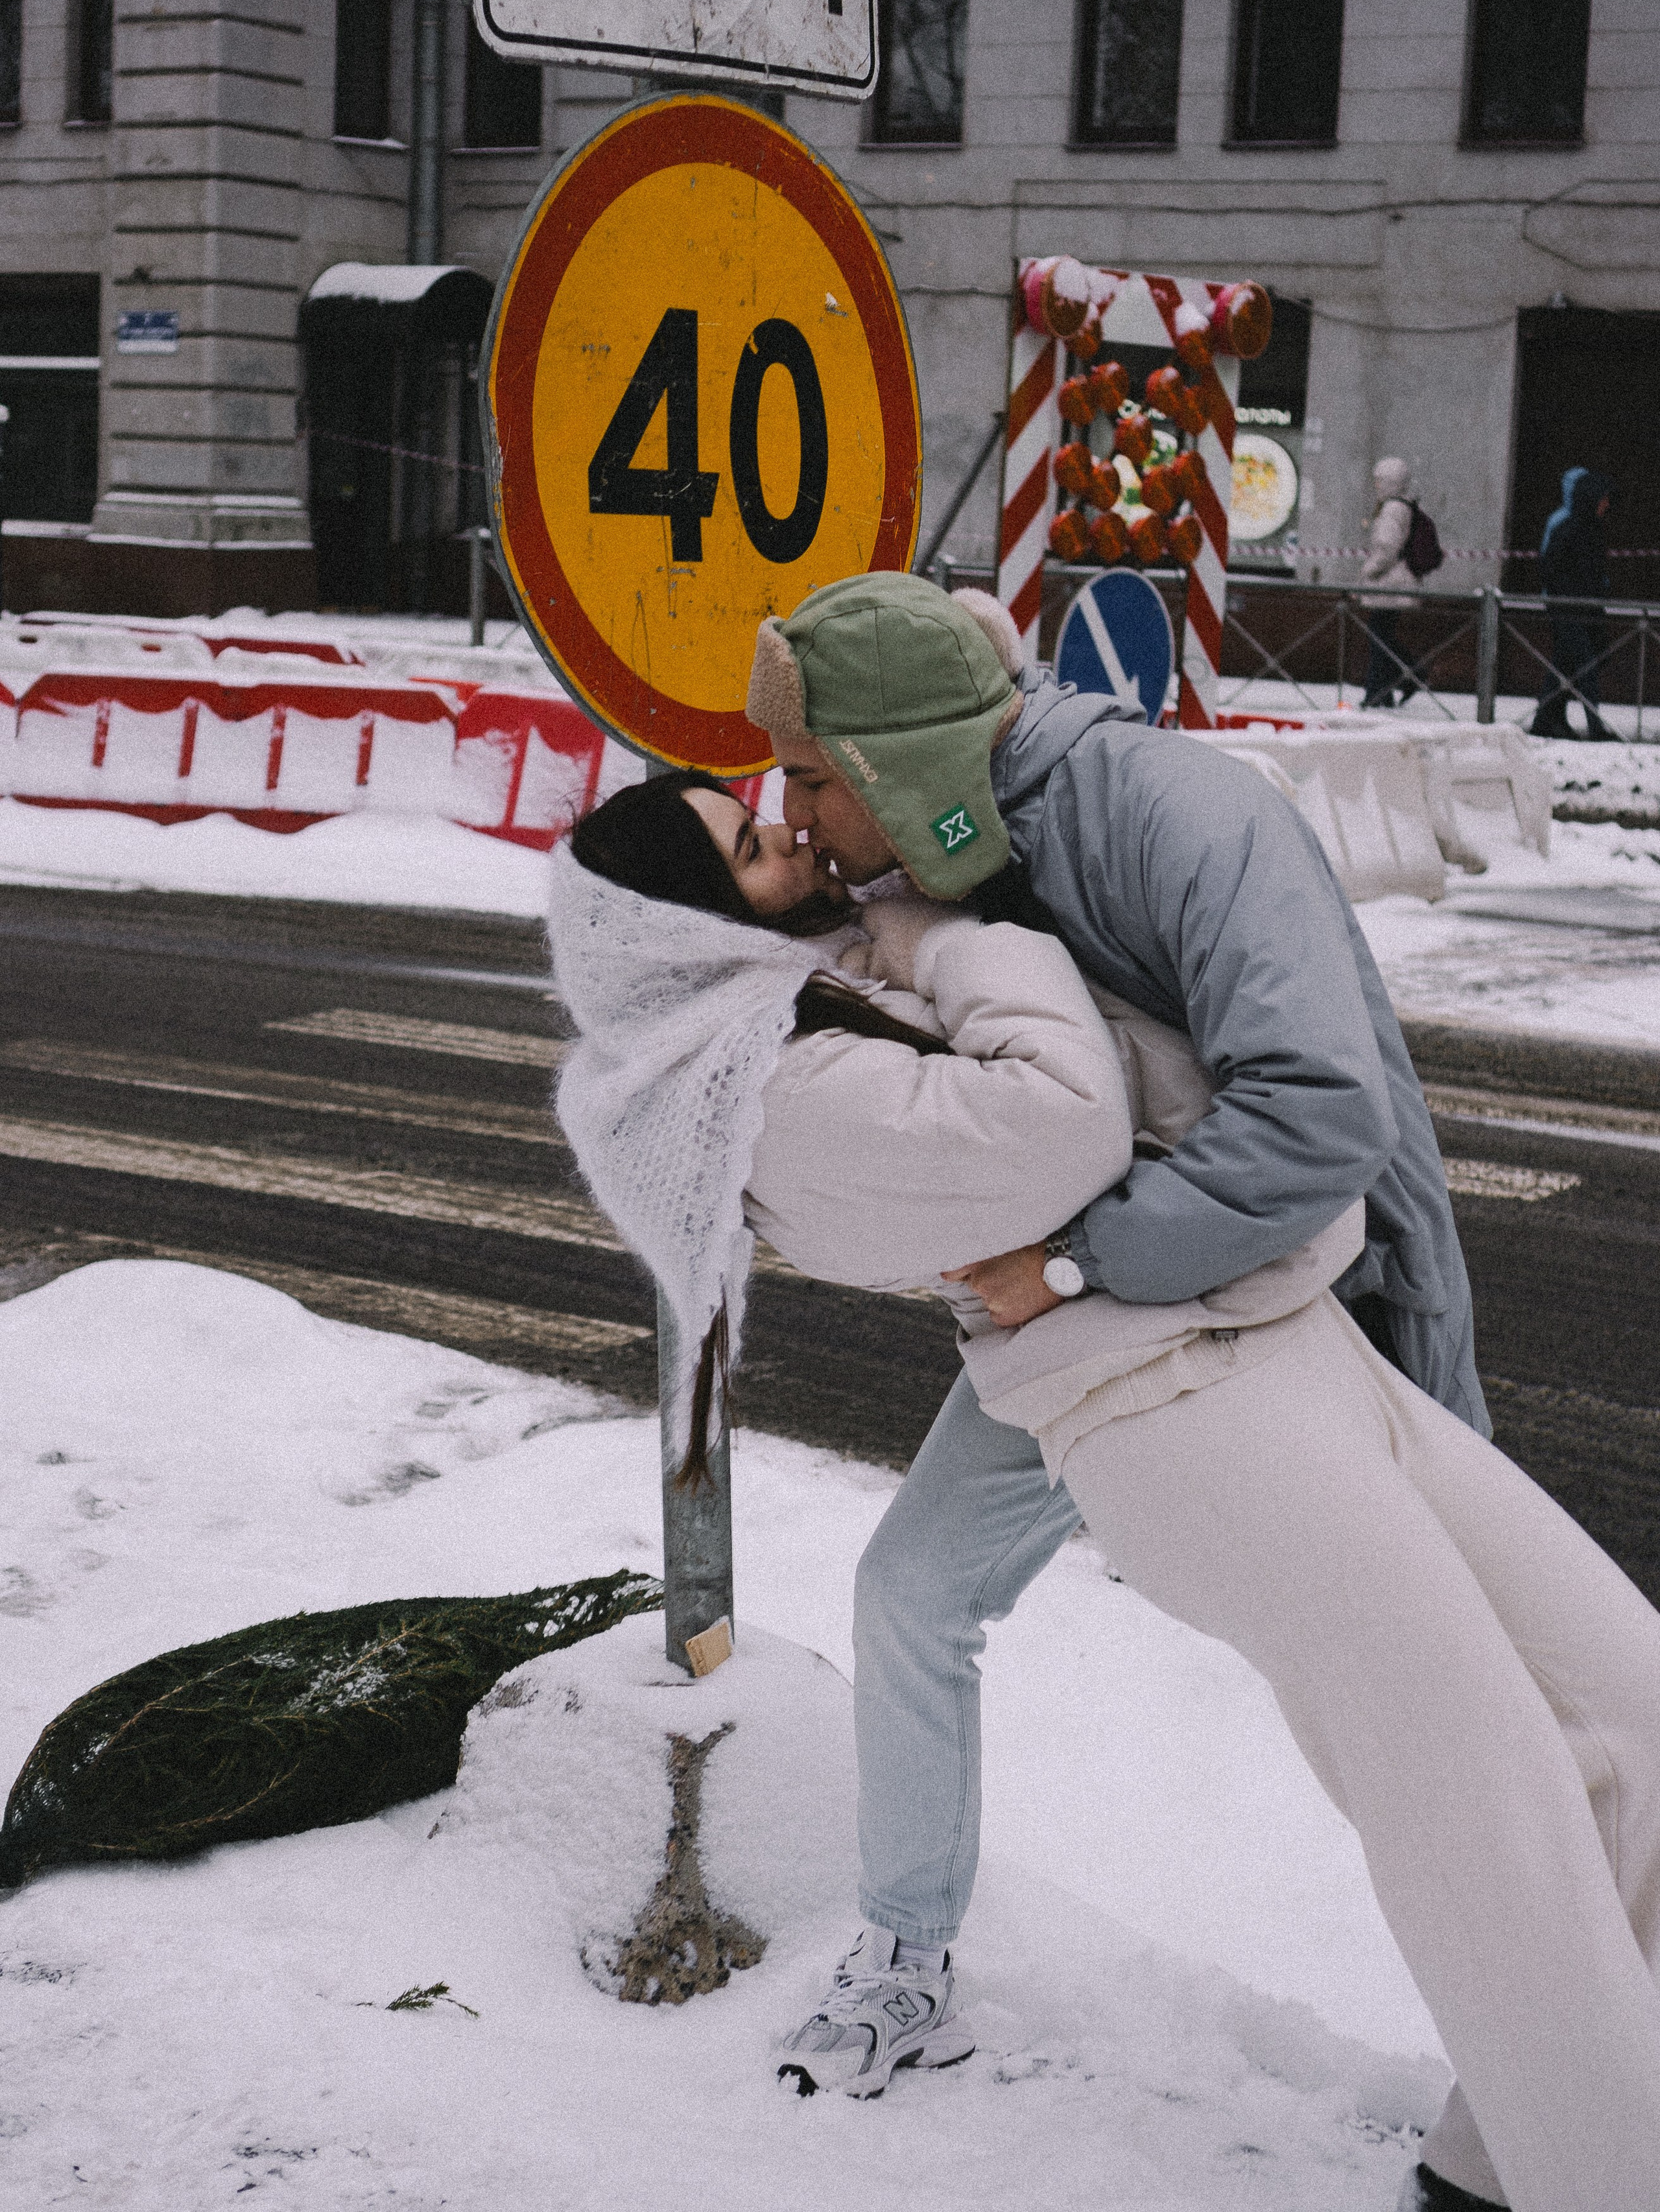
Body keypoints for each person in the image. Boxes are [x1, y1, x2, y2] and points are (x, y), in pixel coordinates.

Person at [549, 764, 1660, 2212]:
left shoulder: (828, 982)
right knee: (1481, 1799)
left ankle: (1500, 2151)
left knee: (1626, 1709)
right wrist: (946, 924)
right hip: (1173, 1410)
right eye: (752, 851)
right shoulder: (772, 1100)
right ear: (688, 928)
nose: (797, 846)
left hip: (1282, 1331)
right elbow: (1067, 1123)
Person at [1529, 466, 1617, 741]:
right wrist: (1569, 594)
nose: (1607, 504)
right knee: (1585, 666)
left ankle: (1546, 719)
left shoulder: (1592, 527)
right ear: (1590, 497)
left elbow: (1593, 569)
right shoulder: (1567, 526)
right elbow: (1549, 567)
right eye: (1603, 498)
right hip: (1568, 609)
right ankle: (1594, 727)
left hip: (1587, 609)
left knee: (1566, 665)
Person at [1360, 454, 1422, 707]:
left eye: (1379, 480)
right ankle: (1390, 688)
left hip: (1389, 585)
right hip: (1394, 584)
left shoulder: (1392, 509)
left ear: (1390, 482)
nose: (1376, 485)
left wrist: (1367, 572)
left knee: (1379, 639)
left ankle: (1395, 684)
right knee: (1382, 637)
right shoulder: (1403, 507)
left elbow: (1386, 549)